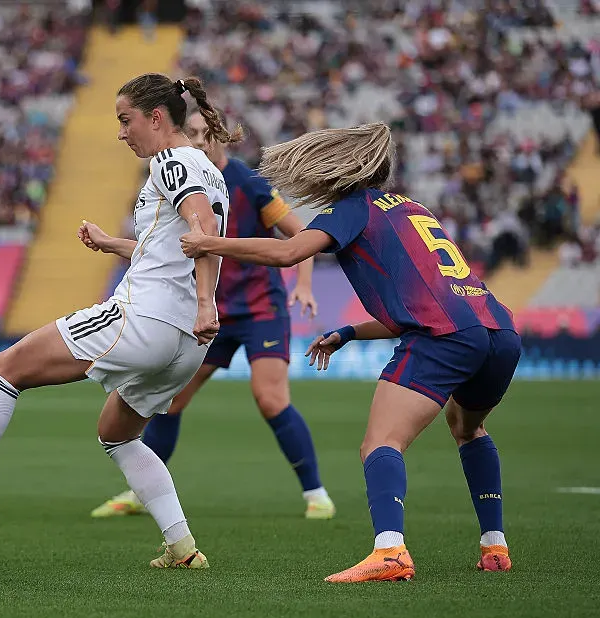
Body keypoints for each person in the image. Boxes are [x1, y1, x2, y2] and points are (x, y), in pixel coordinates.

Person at [0, 73, 238, 569]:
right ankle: (183, 548)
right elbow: (177, 245)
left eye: (126, 120)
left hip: (146, 319)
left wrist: (206, 301)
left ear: (157, 118)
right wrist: (115, 246)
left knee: (4, 367)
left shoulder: (170, 160)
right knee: (118, 432)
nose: (122, 133)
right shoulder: (208, 167)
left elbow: (202, 230)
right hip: (187, 342)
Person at [180, 123, 520, 582]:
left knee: (380, 442)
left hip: (447, 336)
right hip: (497, 331)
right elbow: (430, 302)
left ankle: (390, 552)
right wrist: (351, 332)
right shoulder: (411, 208)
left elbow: (290, 253)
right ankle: (494, 545)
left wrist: (209, 243)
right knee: (467, 428)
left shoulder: (352, 208)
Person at [91, 110, 335, 521]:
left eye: (207, 134)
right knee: (170, 401)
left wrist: (305, 285)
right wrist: (114, 243)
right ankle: (142, 490)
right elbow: (162, 249)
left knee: (271, 398)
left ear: (220, 137)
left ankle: (316, 493)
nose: (201, 142)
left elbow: (301, 235)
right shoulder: (177, 175)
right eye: (193, 134)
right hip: (211, 308)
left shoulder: (248, 183)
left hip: (260, 307)